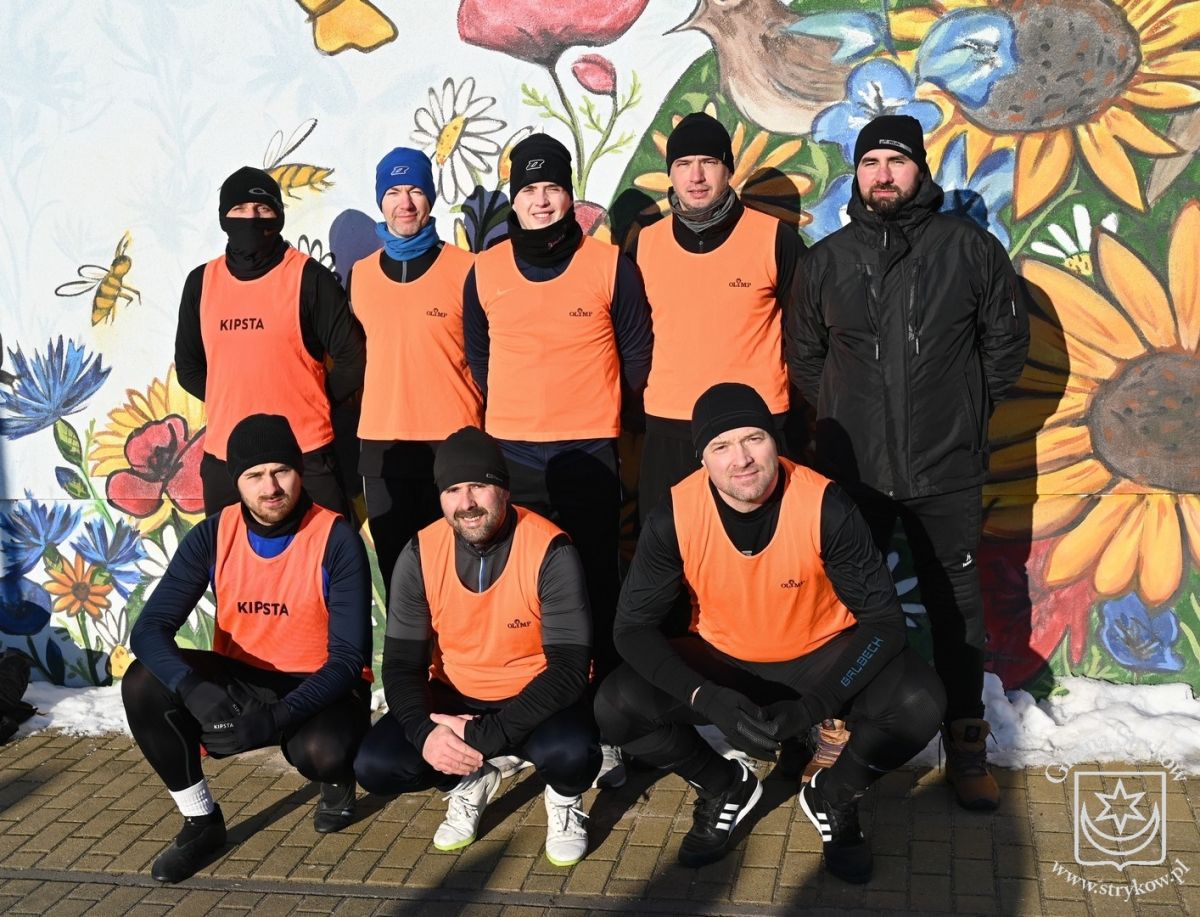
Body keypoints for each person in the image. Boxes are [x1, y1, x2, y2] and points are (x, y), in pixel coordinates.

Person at [594, 383, 945, 883]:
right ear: (702, 459)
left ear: (774, 441)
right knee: (616, 706)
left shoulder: (824, 504)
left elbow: (884, 622)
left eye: (753, 438)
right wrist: (706, 698)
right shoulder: (675, 513)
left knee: (919, 702)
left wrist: (815, 707)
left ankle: (834, 795)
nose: (741, 459)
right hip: (724, 658)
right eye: (721, 446)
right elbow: (631, 629)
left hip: (820, 654)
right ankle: (723, 786)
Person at [788, 115, 1029, 811]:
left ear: (919, 169)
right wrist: (847, 417)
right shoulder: (827, 261)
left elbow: (1005, 345)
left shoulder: (969, 249)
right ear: (856, 175)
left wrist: (963, 412)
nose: (883, 175)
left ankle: (966, 739)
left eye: (896, 161)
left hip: (945, 467)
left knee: (957, 609)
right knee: (843, 607)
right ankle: (837, 730)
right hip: (855, 472)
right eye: (871, 163)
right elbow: (805, 356)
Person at [463, 133, 653, 786]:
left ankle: (605, 730)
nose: (541, 201)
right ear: (513, 199)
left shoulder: (608, 264)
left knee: (595, 586)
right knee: (519, 593)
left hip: (590, 454)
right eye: (529, 189)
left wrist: (600, 414)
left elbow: (636, 355)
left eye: (552, 188)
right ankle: (523, 720)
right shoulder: (486, 270)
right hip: (512, 459)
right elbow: (480, 357)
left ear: (570, 195)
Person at [122, 414, 373, 883]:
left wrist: (276, 719)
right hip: (245, 679)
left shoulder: (335, 537)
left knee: (323, 752)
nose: (271, 487)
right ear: (237, 481)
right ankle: (201, 822)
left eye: (281, 470)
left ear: (300, 471)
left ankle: (336, 781)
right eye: (255, 475)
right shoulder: (214, 534)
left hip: (322, 686)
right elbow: (149, 629)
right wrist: (193, 689)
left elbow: (347, 662)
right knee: (143, 681)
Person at [354, 426, 599, 866]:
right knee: (376, 765)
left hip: (536, 695)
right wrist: (427, 734)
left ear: (504, 489)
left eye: (478, 486)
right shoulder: (420, 551)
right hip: (455, 694)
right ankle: (468, 781)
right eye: (452, 490)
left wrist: (484, 735)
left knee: (572, 755)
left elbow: (568, 670)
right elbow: (402, 665)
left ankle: (564, 799)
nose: (466, 503)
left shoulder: (551, 548)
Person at [628, 111, 805, 522]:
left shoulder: (774, 238)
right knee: (670, 547)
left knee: (766, 544)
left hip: (756, 427)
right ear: (670, 173)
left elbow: (806, 335)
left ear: (728, 169)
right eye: (683, 164)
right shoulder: (645, 245)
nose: (696, 176)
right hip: (671, 425)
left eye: (708, 162)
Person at [175, 166, 365, 518]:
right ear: (224, 216)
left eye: (262, 209)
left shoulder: (309, 278)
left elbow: (353, 361)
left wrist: (311, 399)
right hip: (228, 460)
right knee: (230, 554)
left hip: (306, 454)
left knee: (326, 551)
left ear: (278, 214)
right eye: (239, 209)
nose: (251, 218)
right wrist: (235, 398)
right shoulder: (201, 283)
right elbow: (188, 368)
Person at [350, 147, 482, 596]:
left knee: (460, 576)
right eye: (393, 192)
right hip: (383, 448)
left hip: (454, 446)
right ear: (380, 200)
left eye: (415, 191)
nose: (404, 203)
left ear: (430, 197)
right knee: (400, 579)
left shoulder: (467, 269)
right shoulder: (360, 276)